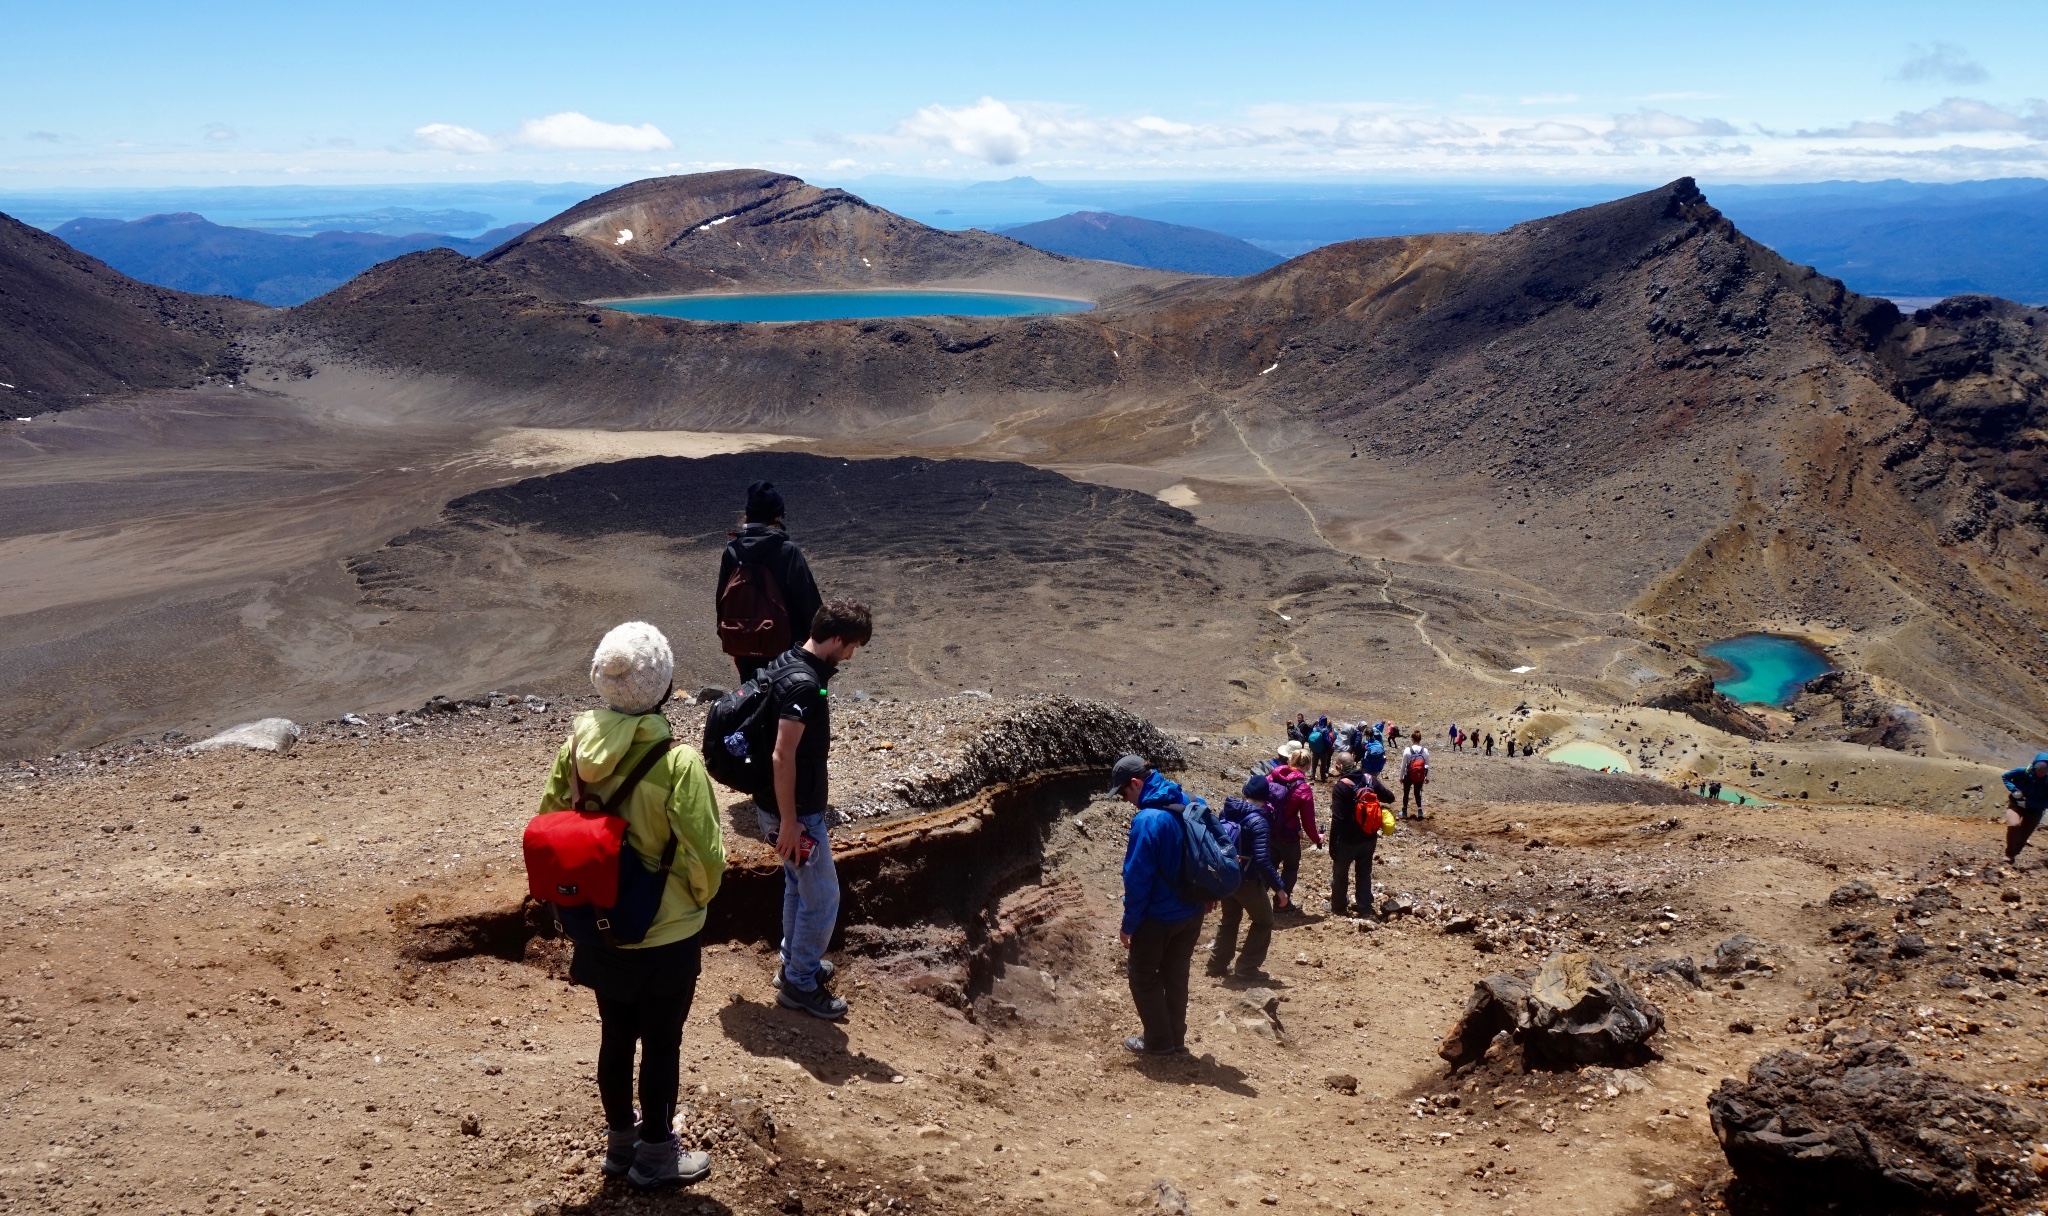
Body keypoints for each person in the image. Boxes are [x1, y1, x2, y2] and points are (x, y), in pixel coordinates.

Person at [537, 622, 728, 1189]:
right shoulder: (677, 763)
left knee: (615, 1033)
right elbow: (706, 854)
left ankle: (620, 1143)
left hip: (597, 921)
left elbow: (551, 825)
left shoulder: (573, 752)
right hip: (665, 933)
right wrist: (694, 903)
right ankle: (655, 1155)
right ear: (664, 685)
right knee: (662, 1042)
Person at [756, 600, 873, 1020]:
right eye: (852, 645)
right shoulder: (806, 684)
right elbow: (782, 756)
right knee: (823, 897)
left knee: (797, 884)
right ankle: (800, 983)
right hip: (796, 813)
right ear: (837, 638)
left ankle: (794, 963)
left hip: (782, 808)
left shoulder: (787, 660)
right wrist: (789, 821)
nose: (852, 655)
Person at [1111, 755, 1205, 1055]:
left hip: (1158, 917)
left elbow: (1137, 879)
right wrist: (1210, 894)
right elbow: (1210, 850)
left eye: (1124, 793)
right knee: (1176, 975)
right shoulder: (1190, 800)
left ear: (1136, 783)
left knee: (1141, 977)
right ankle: (1176, 1039)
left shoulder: (1148, 819)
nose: (1126, 801)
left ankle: (1159, 1042)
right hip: (1192, 912)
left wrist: (1129, 924)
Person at [716, 480, 824, 684]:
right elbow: (808, 602)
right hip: (786, 649)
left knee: (750, 698)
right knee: (783, 699)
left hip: (743, 644)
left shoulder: (732, 551)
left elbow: (721, 602)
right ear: (777, 516)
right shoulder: (787, 551)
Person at [1210, 777, 1286, 979]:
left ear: (1245, 792)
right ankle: (1247, 968)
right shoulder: (1259, 821)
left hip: (1226, 875)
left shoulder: (1227, 812)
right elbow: (1262, 859)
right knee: (1264, 921)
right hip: (1247, 880)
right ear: (1265, 797)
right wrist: (1279, 888)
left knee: (1230, 919)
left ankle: (1216, 965)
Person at [1327, 753, 1389, 916]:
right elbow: (1390, 797)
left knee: (1341, 874)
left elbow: (1337, 819)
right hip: (1369, 837)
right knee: (1364, 872)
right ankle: (1365, 907)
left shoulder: (1341, 787)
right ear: (1355, 763)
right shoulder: (1369, 779)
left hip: (1347, 841)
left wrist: (1332, 844)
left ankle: (1339, 907)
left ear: (1339, 767)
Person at [1263, 757, 1322, 906]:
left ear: (1291, 762)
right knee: (1290, 867)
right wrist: (1316, 838)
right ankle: (1281, 903)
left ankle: (1258, 901)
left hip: (1269, 830)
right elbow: (1308, 821)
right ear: (1308, 766)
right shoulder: (1303, 788)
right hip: (1289, 834)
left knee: (1269, 865)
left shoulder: (1271, 777)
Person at [2002, 753, 2048, 865]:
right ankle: (2009, 853)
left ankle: (2013, 854)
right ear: (2034, 766)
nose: (2041, 771)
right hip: (2016, 804)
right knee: (2014, 825)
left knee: (2024, 835)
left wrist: (2029, 804)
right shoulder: (2023, 772)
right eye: (2039, 767)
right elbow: (2005, 776)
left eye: (2045, 768)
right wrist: (2015, 790)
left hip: (2035, 810)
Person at [1399, 732, 1430, 819]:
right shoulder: (1425, 751)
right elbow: (1427, 766)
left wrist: (1401, 777)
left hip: (1408, 775)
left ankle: (1404, 811)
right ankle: (1420, 811)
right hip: (1419, 775)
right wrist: (1427, 777)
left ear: (1412, 739)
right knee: (1417, 793)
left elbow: (1403, 766)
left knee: (1406, 793)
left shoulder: (1407, 750)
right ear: (1420, 739)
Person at [1307, 715, 1336, 780]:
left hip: (1314, 750)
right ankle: (1322, 776)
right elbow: (1327, 741)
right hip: (1323, 750)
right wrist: (1329, 747)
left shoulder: (1315, 729)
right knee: (1323, 764)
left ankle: (1312, 775)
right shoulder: (1324, 730)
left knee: (1314, 763)